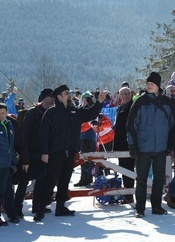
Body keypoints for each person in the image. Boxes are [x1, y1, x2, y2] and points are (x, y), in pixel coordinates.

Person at [34, 85, 107, 221]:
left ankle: (61, 206)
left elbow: (90, 113)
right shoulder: (51, 113)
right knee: (50, 181)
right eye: (66, 93)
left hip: (70, 152)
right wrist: (44, 152)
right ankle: (41, 208)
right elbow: (43, 135)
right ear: (59, 97)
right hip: (55, 153)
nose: (69, 95)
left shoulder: (74, 112)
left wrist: (99, 102)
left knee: (65, 181)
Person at [127, 72, 175, 218]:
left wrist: (170, 144)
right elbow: (130, 126)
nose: (149, 85)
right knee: (141, 179)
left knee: (159, 179)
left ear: (158, 86)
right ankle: (140, 208)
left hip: (161, 147)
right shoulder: (140, 102)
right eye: (148, 83)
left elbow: (172, 126)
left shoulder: (167, 103)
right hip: (143, 148)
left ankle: (157, 206)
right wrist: (132, 146)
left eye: (152, 84)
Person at [14, 88, 54, 218]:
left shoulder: (51, 113)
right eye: (50, 96)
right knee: (24, 181)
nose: (53, 98)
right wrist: (24, 156)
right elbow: (24, 135)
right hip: (30, 152)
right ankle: (17, 207)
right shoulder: (33, 112)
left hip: (43, 152)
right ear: (44, 97)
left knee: (41, 179)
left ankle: (36, 206)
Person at [113, 86, 135, 204]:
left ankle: (130, 195)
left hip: (130, 143)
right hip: (120, 143)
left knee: (129, 170)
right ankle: (127, 194)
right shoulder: (120, 108)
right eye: (123, 94)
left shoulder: (134, 107)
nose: (126, 96)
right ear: (120, 96)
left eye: (127, 93)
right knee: (123, 169)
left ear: (131, 94)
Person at [73, 92, 97, 187]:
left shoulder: (88, 111)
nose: (81, 102)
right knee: (84, 158)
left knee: (87, 159)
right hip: (84, 136)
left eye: (83, 100)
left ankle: (87, 179)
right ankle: (85, 178)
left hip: (88, 136)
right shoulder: (85, 109)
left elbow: (89, 124)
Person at [0, 103, 17, 226]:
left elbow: (12, 147)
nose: (1, 116)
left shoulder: (9, 125)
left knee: (7, 190)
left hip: (6, 164)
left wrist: (13, 162)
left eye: (3, 113)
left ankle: (12, 214)